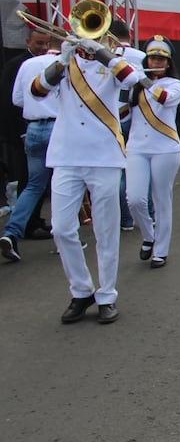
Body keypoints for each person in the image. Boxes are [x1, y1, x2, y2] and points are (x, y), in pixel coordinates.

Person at [29, 29, 142, 323]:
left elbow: (133, 80)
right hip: (66, 156)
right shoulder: (65, 66)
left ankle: (107, 295)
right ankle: (81, 290)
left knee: (105, 230)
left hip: (104, 156)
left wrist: (101, 52)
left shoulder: (113, 62)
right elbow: (37, 90)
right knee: (62, 228)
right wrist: (63, 59)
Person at [125, 36, 180, 268]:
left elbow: (165, 100)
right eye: (152, 58)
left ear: (168, 63)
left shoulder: (174, 84)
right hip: (137, 147)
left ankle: (161, 249)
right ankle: (149, 235)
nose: (156, 62)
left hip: (165, 148)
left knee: (162, 199)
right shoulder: (135, 86)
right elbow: (124, 114)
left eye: (161, 59)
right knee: (135, 199)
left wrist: (142, 79)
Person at [0, 27, 55, 261]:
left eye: (45, 43)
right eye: (38, 42)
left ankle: (11, 233)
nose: (42, 47)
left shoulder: (25, 65)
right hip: (57, 129)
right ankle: (67, 237)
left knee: (33, 185)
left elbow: (16, 100)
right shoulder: (61, 65)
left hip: (33, 129)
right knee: (65, 184)